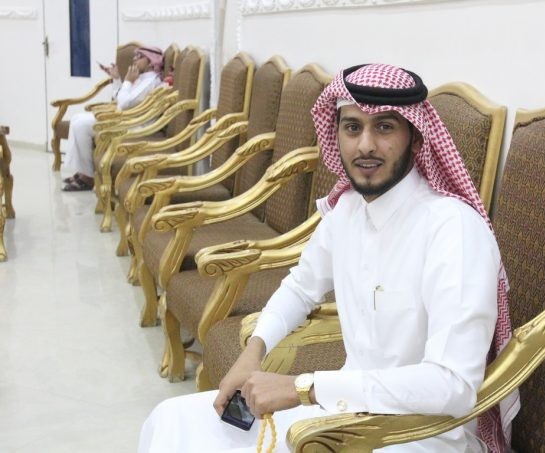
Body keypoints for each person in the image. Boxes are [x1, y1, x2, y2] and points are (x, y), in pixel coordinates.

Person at [138, 63, 519, 452]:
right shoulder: (349, 210)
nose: (365, 145)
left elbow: (453, 386)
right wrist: (253, 351)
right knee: (172, 421)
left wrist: (303, 387)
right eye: (352, 127)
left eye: (384, 127)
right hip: (344, 410)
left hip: (421, 436)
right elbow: (300, 287)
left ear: (416, 137)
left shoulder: (454, 230)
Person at [61, 46, 164, 191]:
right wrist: (117, 79)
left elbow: (124, 103)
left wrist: (127, 81)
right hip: (125, 118)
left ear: (151, 61)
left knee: (81, 125)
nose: (134, 59)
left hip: (134, 124)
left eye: (139, 56)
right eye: (135, 56)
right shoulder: (141, 78)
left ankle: (88, 178)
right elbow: (120, 98)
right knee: (76, 118)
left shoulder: (151, 81)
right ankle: (84, 171)